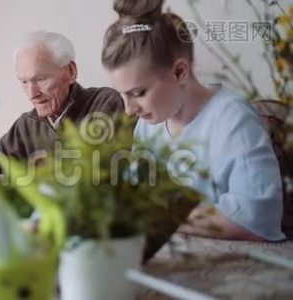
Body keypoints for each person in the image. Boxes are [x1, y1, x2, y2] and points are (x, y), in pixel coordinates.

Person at [101, 0, 285, 241]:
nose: (129, 109)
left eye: (138, 93)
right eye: (123, 95)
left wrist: (157, 215)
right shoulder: (150, 123)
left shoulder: (233, 120)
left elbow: (258, 219)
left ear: (180, 71)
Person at [0, 31, 124, 160]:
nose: (32, 94)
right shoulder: (27, 124)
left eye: (41, 79)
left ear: (71, 71)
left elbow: (96, 170)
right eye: (24, 82)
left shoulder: (104, 102)